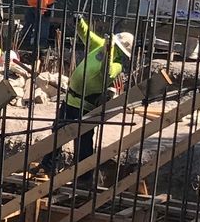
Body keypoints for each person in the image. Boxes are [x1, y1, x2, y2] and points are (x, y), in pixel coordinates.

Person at [45, 19, 134, 174]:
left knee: (83, 142)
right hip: (69, 100)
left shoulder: (117, 65)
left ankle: (84, 176)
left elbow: (105, 72)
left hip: (85, 107)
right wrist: (79, 22)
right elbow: (87, 36)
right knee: (57, 133)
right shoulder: (100, 46)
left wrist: (109, 52)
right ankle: (47, 166)